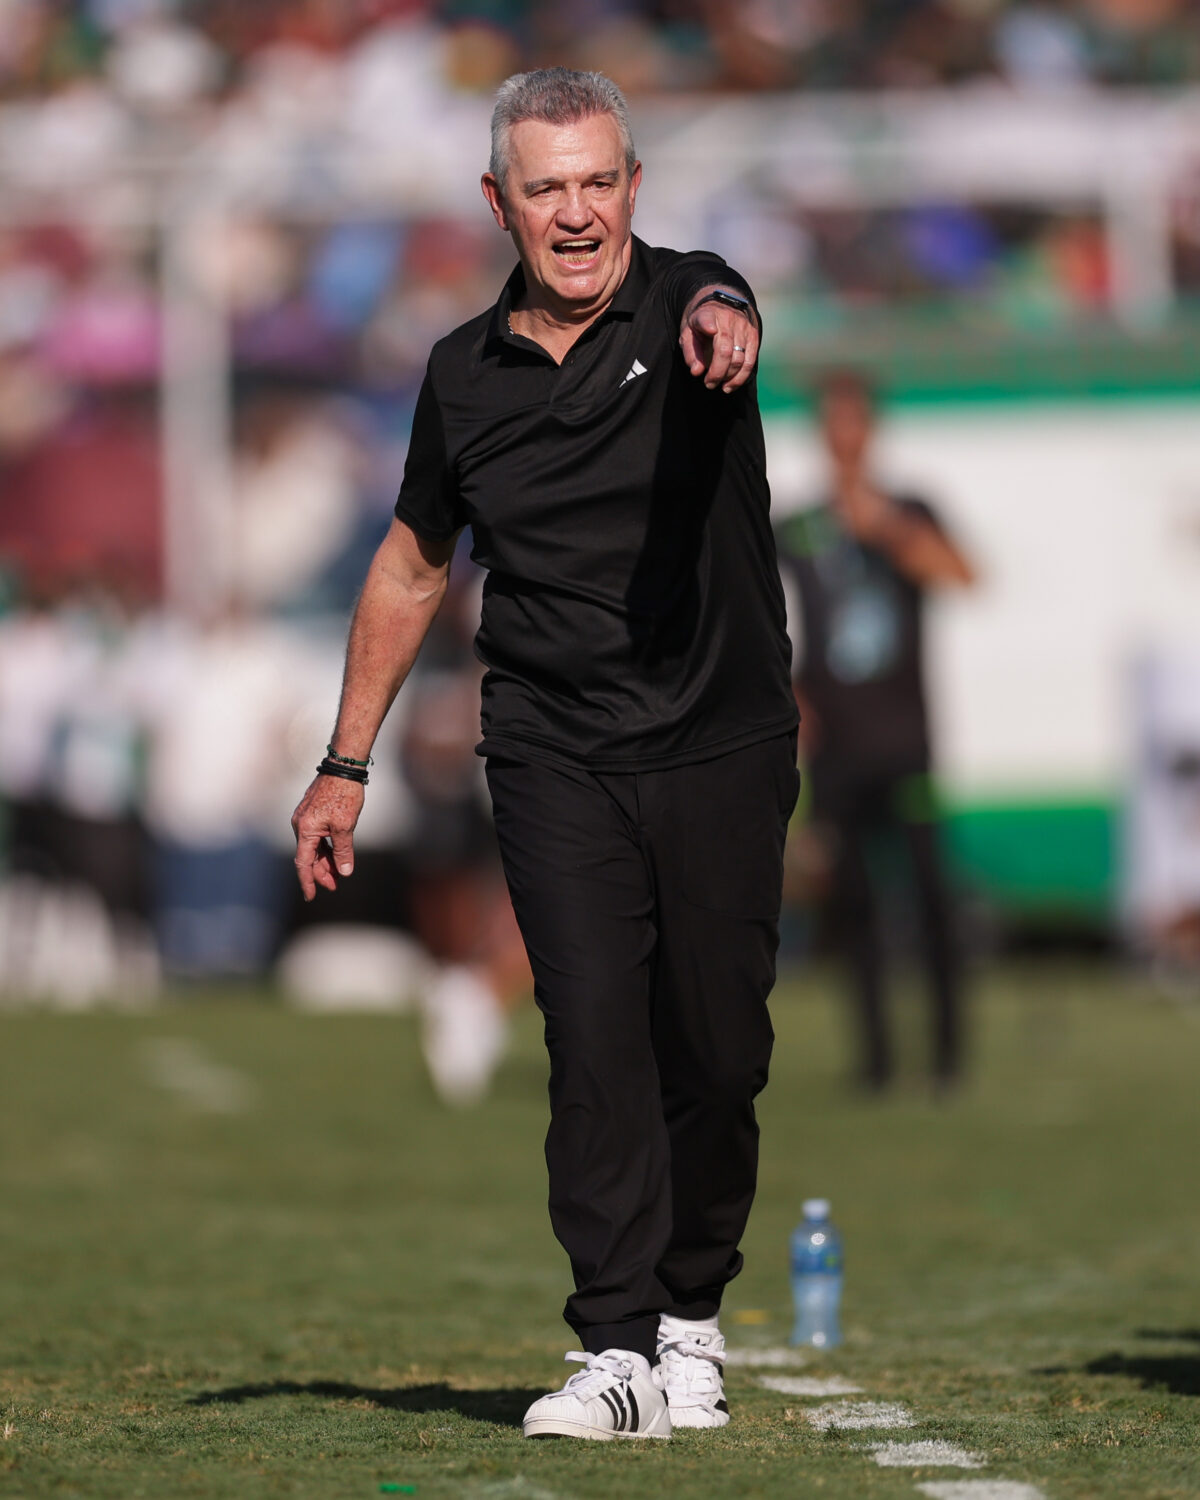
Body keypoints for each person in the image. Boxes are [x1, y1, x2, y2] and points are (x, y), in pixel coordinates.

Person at [291, 68, 798, 1441]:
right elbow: (409, 570)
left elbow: (722, 309)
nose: (576, 212)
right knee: (591, 1037)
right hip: (552, 748)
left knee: (715, 1044)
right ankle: (617, 1348)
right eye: (546, 187)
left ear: (631, 185)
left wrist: (719, 329)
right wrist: (346, 763)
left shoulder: (699, 300)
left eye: (598, 181)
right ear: (497, 202)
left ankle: (693, 1313)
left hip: (721, 743)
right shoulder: (462, 377)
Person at [776, 368, 975, 1094]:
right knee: (852, 905)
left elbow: (963, 575)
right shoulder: (798, 524)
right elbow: (761, 617)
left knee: (930, 897)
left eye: (855, 422)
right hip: (837, 751)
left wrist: (887, 528)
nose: (844, 437)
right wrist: (788, 690)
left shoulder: (911, 508)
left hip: (906, 741)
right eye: (832, 423)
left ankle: (948, 1060)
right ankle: (877, 1065)